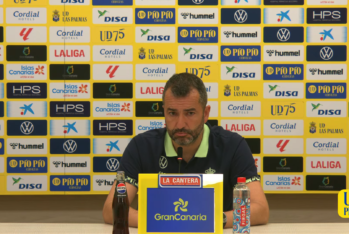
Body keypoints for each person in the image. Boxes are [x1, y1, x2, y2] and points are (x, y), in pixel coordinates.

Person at [103, 73, 269, 228]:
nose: (180, 124)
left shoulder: (232, 146)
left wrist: (209, 221)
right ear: (164, 113)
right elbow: (112, 209)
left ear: (205, 114)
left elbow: (260, 210)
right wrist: (168, 222)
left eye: (190, 113)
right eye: (172, 113)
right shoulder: (141, 146)